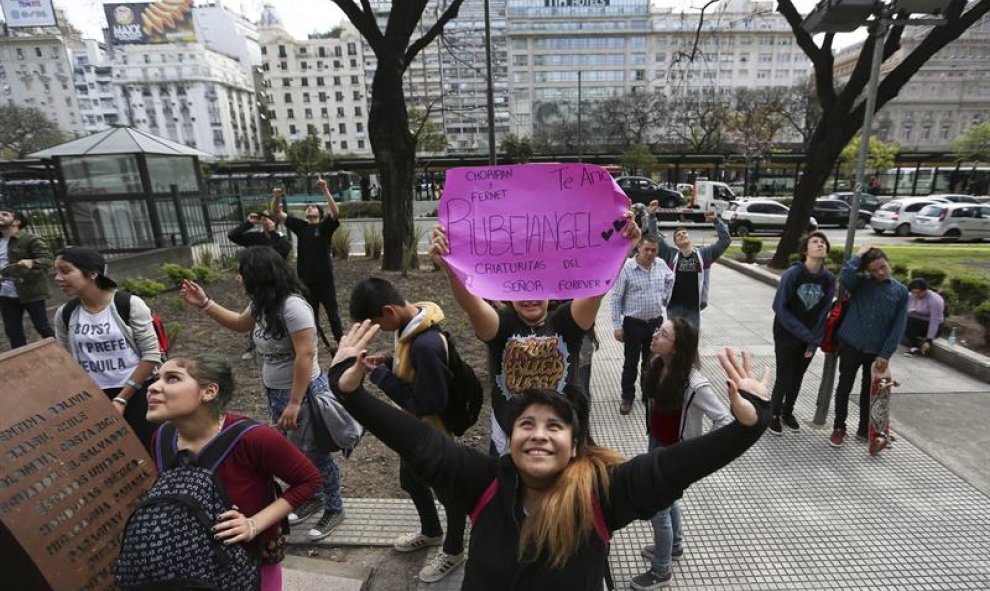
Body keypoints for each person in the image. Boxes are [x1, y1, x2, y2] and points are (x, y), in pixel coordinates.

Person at [328, 320, 772, 591]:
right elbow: (422, 445)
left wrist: (745, 430)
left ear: (575, 445)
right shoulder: (483, 482)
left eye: (555, 426)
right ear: (511, 437)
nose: (539, 435)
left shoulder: (603, 493)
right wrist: (351, 395)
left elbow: (672, 468)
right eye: (527, 424)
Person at [429, 212, 640, 455]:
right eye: (521, 289)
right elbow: (472, 307)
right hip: (510, 444)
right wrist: (451, 269)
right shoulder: (502, 324)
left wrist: (622, 249)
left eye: (537, 287)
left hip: (558, 439)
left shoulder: (564, 322)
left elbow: (597, 290)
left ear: (551, 291)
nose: (529, 297)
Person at [179, 246, 345, 539]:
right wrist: (205, 303)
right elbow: (240, 324)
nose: (237, 278)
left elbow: (305, 355)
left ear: (257, 274)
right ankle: (313, 495)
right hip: (277, 392)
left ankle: (334, 506)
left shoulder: (293, 307)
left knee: (315, 454)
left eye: (241, 272)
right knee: (295, 452)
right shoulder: (262, 302)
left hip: (302, 394)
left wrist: (294, 402)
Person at [146, 353, 322, 591]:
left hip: (250, 565)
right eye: (156, 378)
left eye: (172, 378)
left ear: (209, 392)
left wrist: (253, 524)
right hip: (191, 569)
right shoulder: (162, 437)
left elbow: (309, 481)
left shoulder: (253, 438)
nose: (153, 387)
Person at [349, 277, 466, 583]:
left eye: (377, 323)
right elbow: (409, 367)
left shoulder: (426, 344)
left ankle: (453, 550)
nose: (379, 329)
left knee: (449, 494)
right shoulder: (408, 326)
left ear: (388, 310)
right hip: (414, 432)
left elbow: (429, 402)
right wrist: (388, 361)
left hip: (433, 434)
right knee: (411, 481)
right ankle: (430, 532)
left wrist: (382, 378)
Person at [633, 317, 733, 590]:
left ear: (677, 347)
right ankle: (674, 547)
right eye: (658, 331)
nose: (655, 336)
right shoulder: (658, 366)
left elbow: (724, 419)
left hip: (675, 455)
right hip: (657, 443)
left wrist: (699, 452)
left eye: (663, 334)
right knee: (668, 502)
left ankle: (662, 570)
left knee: (658, 509)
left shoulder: (694, 384)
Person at [53, 247, 160, 448]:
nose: (58, 278)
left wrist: (122, 399)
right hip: (94, 398)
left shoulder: (128, 304)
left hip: (137, 394)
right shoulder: (65, 313)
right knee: (110, 454)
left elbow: (151, 356)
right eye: (56, 272)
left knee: (148, 449)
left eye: (65, 271)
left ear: (93, 273)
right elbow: (64, 361)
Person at [829, 246, 908, 448]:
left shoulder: (900, 291)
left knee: (869, 391)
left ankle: (865, 429)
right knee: (844, 387)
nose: (880, 273)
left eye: (882, 267)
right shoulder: (861, 284)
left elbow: (899, 325)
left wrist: (886, 353)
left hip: (876, 351)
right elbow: (845, 277)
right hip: (851, 344)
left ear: (887, 262)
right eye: (874, 270)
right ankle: (839, 427)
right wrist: (858, 256)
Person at [768, 232, 836, 436]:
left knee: (798, 377)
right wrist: (806, 335)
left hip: (809, 338)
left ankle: (788, 412)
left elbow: (824, 312)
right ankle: (773, 414)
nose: (820, 244)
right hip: (786, 334)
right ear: (805, 249)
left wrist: (813, 342)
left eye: (823, 242)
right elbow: (779, 307)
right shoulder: (792, 274)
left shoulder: (829, 279)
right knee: (784, 376)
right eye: (815, 242)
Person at [271, 181, 344, 348]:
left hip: (325, 280)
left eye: (313, 207)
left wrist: (325, 190)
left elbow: (335, 213)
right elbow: (277, 212)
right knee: (311, 315)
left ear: (319, 212)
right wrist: (276, 196)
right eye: (308, 207)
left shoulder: (325, 227)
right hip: (305, 281)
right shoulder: (301, 226)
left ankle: (341, 343)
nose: (309, 208)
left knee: (333, 314)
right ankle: (313, 345)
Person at [611, 234, 675, 416]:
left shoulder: (661, 264)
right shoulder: (627, 269)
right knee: (631, 362)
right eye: (646, 249)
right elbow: (616, 299)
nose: (650, 253)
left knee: (651, 362)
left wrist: (665, 297)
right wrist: (617, 326)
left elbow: (671, 279)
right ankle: (627, 397)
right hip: (633, 324)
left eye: (654, 250)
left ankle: (648, 394)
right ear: (638, 247)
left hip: (655, 323)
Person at [656, 210, 731, 329]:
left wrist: (716, 221)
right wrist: (650, 216)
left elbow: (725, 241)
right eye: (678, 235)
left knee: (691, 343)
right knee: (675, 342)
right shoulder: (671, 255)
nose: (682, 235)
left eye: (684, 233)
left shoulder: (704, 254)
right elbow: (657, 239)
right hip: (674, 308)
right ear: (676, 243)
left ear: (689, 237)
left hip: (693, 309)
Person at [0, 208, 54, 349]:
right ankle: (21, 363)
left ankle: (63, 353)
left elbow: (48, 259)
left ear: (16, 221)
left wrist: (32, 262)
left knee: (42, 327)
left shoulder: (30, 239)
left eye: (4, 214)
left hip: (31, 291)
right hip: (6, 294)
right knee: (13, 331)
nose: (0, 216)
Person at [903, 278, 945, 357]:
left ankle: (916, 348)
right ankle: (914, 347)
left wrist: (929, 341)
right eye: (913, 292)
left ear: (925, 290)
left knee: (909, 320)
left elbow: (934, 322)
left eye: (918, 293)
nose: (915, 295)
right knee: (905, 318)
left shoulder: (935, 300)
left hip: (933, 325)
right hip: (918, 321)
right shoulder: (911, 295)